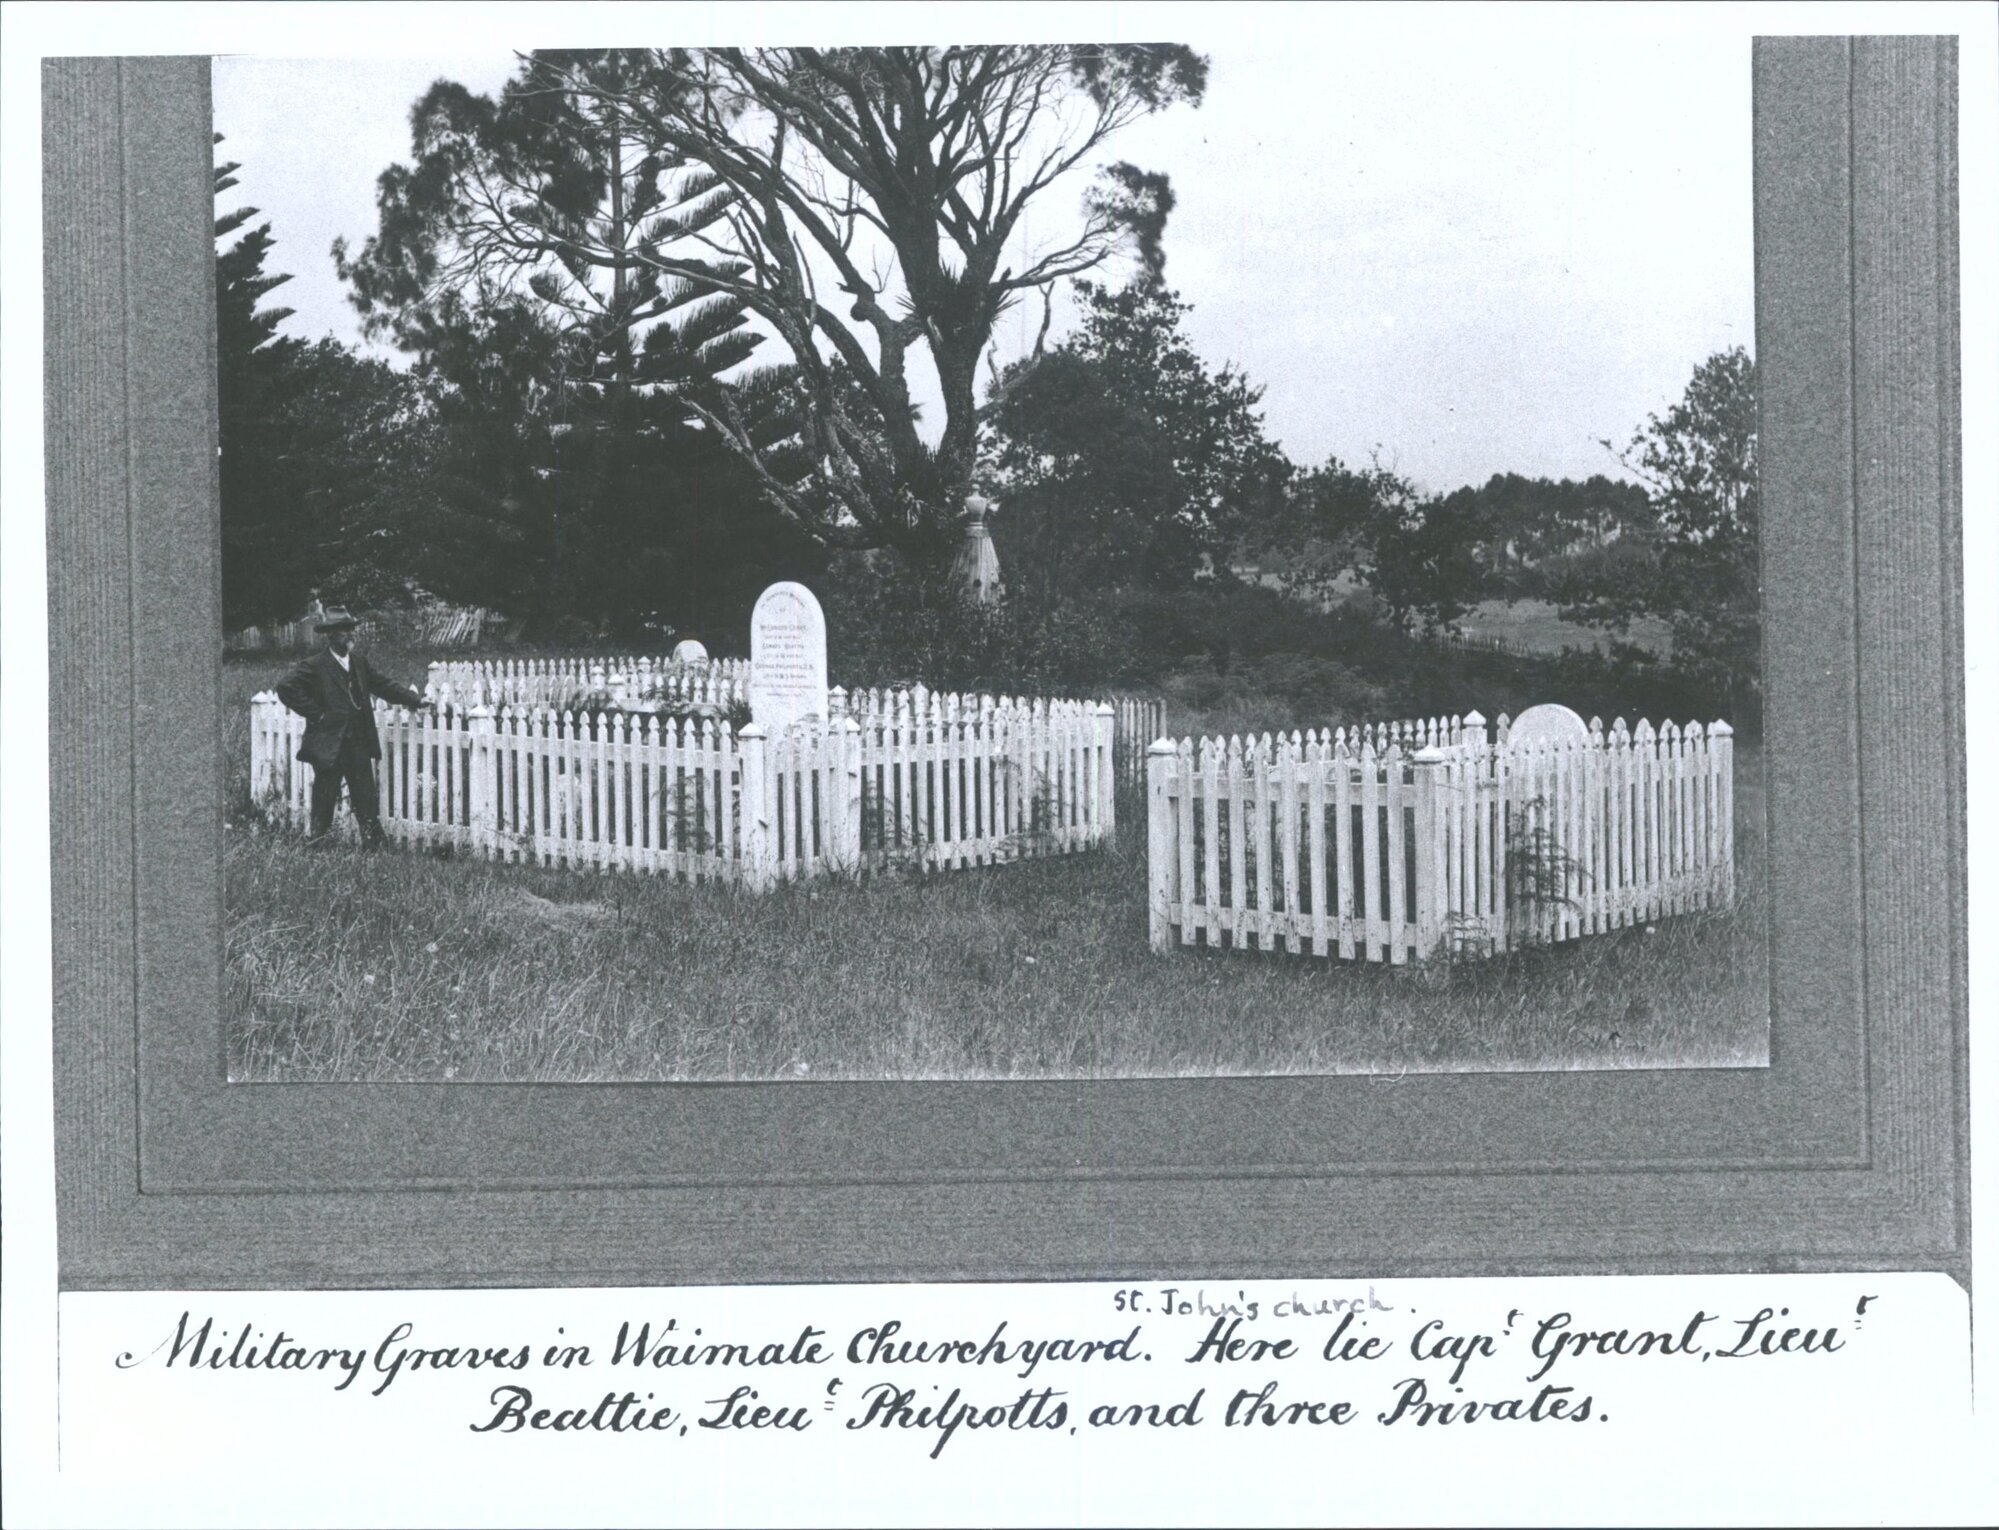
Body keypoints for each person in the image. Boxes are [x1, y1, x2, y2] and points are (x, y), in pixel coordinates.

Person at [275, 608, 430, 847]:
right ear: (330, 635)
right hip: (329, 744)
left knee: (365, 796)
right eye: (343, 630)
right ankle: (317, 844)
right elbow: (286, 687)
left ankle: (374, 846)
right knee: (325, 798)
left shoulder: (358, 662)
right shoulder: (315, 665)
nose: (349, 634)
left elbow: (382, 685)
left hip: (357, 742)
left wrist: (415, 700)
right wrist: (317, 714)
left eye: (350, 629)